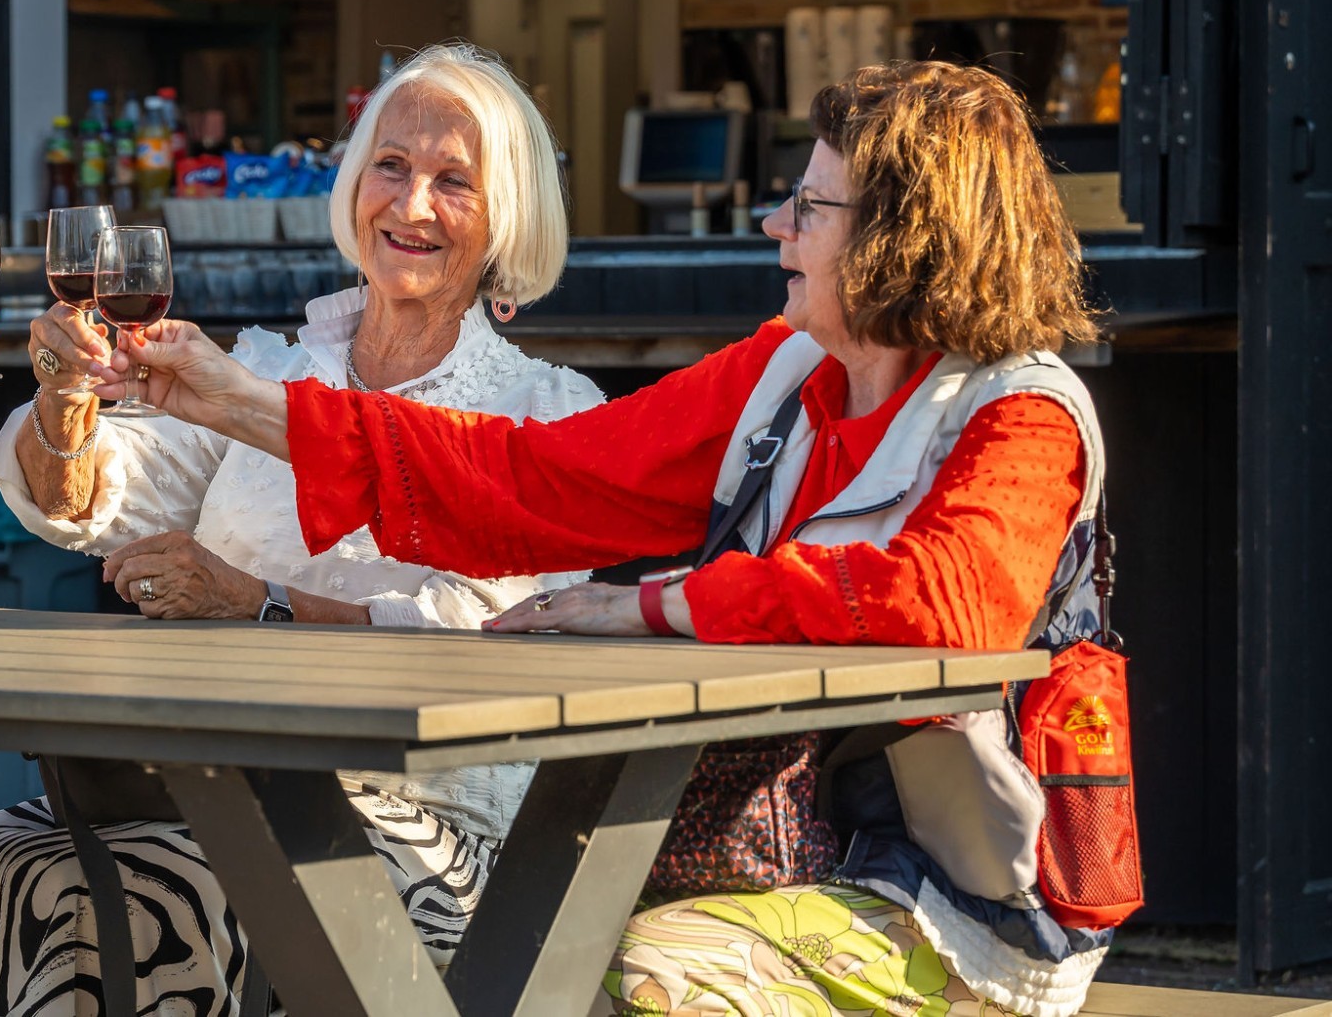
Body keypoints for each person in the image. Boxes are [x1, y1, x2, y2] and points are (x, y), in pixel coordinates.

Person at [92, 61, 1112, 1017]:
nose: (772, 224)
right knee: (519, 955)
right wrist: (241, 402)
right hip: (766, 855)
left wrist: (651, 603)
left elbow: (934, 602)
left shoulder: (1021, 412)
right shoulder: (783, 373)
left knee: (618, 976)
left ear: (901, 234)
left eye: (808, 206)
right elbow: (529, 479)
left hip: (958, 902)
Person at [0, 43, 604, 1017]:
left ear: (510, 214)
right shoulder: (268, 371)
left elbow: (483, 633)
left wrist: (259, 602)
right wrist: (64, 401)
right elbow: (92, 497)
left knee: (146, 899)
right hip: (203, 787)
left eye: (452, 180)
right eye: (390, 165)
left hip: (424, 822)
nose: (411, 204)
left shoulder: (543, 410)